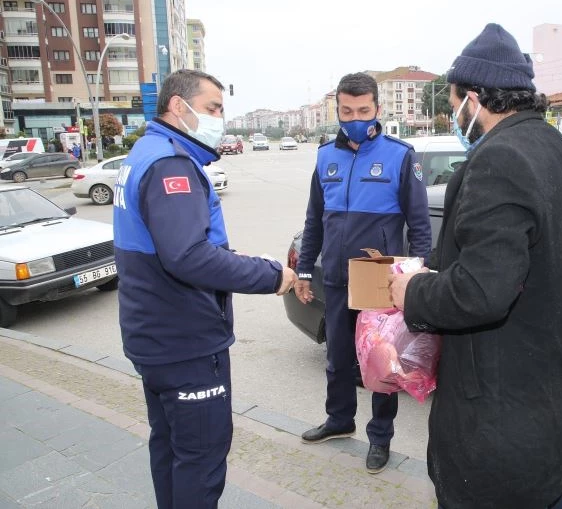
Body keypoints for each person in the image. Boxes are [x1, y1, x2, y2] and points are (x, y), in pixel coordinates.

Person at [388, 23, 562, 508]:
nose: (452, 113)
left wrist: (412, 290)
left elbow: (481, 292)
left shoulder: (498, 160)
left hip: (500, 432)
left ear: (473, 100)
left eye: (453, 100)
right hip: (554, 418)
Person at [113, 69, 297, 509]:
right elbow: (188, 257)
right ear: (179, 107)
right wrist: (273, 275)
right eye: (212, 108)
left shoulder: (147, 150)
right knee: (201, 457)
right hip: (185, 343)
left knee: (171, 448)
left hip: (154, 336)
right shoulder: (170, 164)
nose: (219, 118)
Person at [294, 72, 431, 474]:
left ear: (378, 109)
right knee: (336, 357)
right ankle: (339, 420)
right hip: (336, 275)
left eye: (363, 110)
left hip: (378, 276)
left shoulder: (400, 155)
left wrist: (416, 271)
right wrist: (304, 269)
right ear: (337, 109)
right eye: (347, 110)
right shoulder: (324, 156)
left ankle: (380, 438)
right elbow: (314, 219)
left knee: (379, 363)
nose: (354, 117)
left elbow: (419, 222)